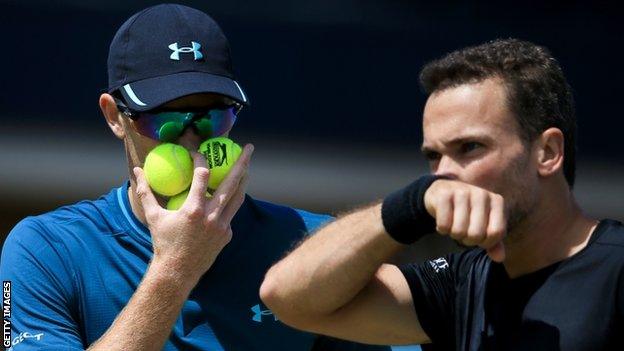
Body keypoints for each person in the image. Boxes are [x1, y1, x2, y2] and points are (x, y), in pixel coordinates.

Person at [0, 4, 389, 351]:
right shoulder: (43, 249)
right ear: (114, 116)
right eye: (164, 120)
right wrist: (176, 268)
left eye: (212, 117)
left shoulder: (313, 247)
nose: (192, 142)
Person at [260, 38, 624, 350]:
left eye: (470, 147)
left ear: (547, 153)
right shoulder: (463, 282)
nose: (443, 175)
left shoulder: (615, 268)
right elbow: (287, 298)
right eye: (434, 156)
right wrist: (407, 207)